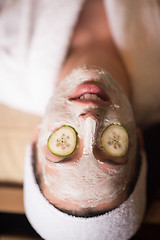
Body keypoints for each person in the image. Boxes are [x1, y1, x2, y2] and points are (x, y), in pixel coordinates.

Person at [0, 0, 160, 239]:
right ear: (138, 142)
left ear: (37, 138)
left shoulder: (6, 67)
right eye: (112, 148)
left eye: (63, 146)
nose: (90, 120)